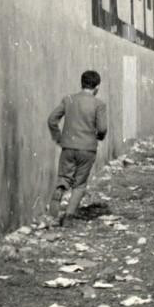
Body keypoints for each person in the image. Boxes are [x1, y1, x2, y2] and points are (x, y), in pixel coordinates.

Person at [47, 70, 108, 226]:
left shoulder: (68, 100)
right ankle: (68, 217)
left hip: (68, 146)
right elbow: (102, 129)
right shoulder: (99, 104)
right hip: (87, 148)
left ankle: (58, 196)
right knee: (79, 184)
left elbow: (52, 119)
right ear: (97, 87)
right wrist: (98, 137)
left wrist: (59, 137)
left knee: (64, 177)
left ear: (82, 83)